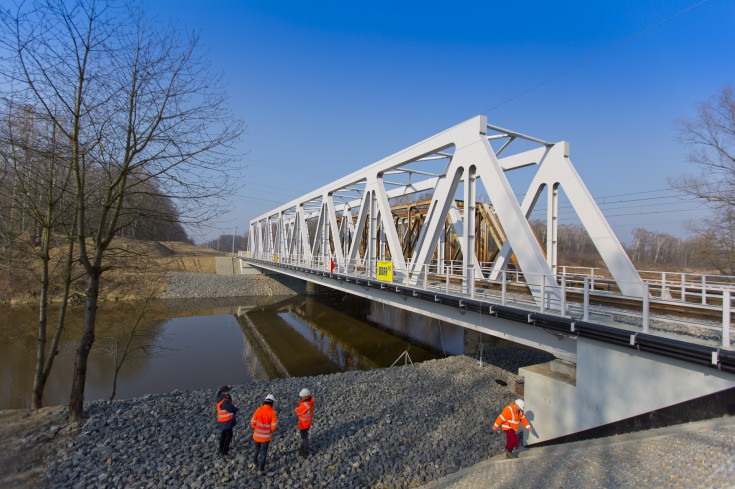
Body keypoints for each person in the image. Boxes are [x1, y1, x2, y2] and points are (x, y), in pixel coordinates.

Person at [251, 394, 278, 474]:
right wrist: (270, 431)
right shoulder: (272, 412)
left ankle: (254, 463)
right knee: (263, 452)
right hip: (266, 437)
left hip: (257, 435)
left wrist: (256, 428)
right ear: (272, 403)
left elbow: (252, 422)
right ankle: (261, 469)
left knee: (256, 449)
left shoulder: (258, 410)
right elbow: (274, 425)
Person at [215, 386, 238, 458]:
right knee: (229, 436)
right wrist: (235, 409)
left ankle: (221, 449)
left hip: (222, 421)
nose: (228, 392)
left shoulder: (220, 398)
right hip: (226, 421)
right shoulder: (224, 401)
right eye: (227, 391)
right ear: (224, 392)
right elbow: (230, 408)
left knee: (223, 435)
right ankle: (225, 452)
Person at [293, 388, 315, 457]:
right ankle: (304, 447)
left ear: (305, 396)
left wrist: (297, 408)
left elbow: (296, 411)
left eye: (302, 396)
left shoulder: (305, 405)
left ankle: (305, 450)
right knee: (305, 435)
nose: (301, 397)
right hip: (308, 422)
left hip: (303, 424)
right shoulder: (311, 401)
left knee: (304, 437)